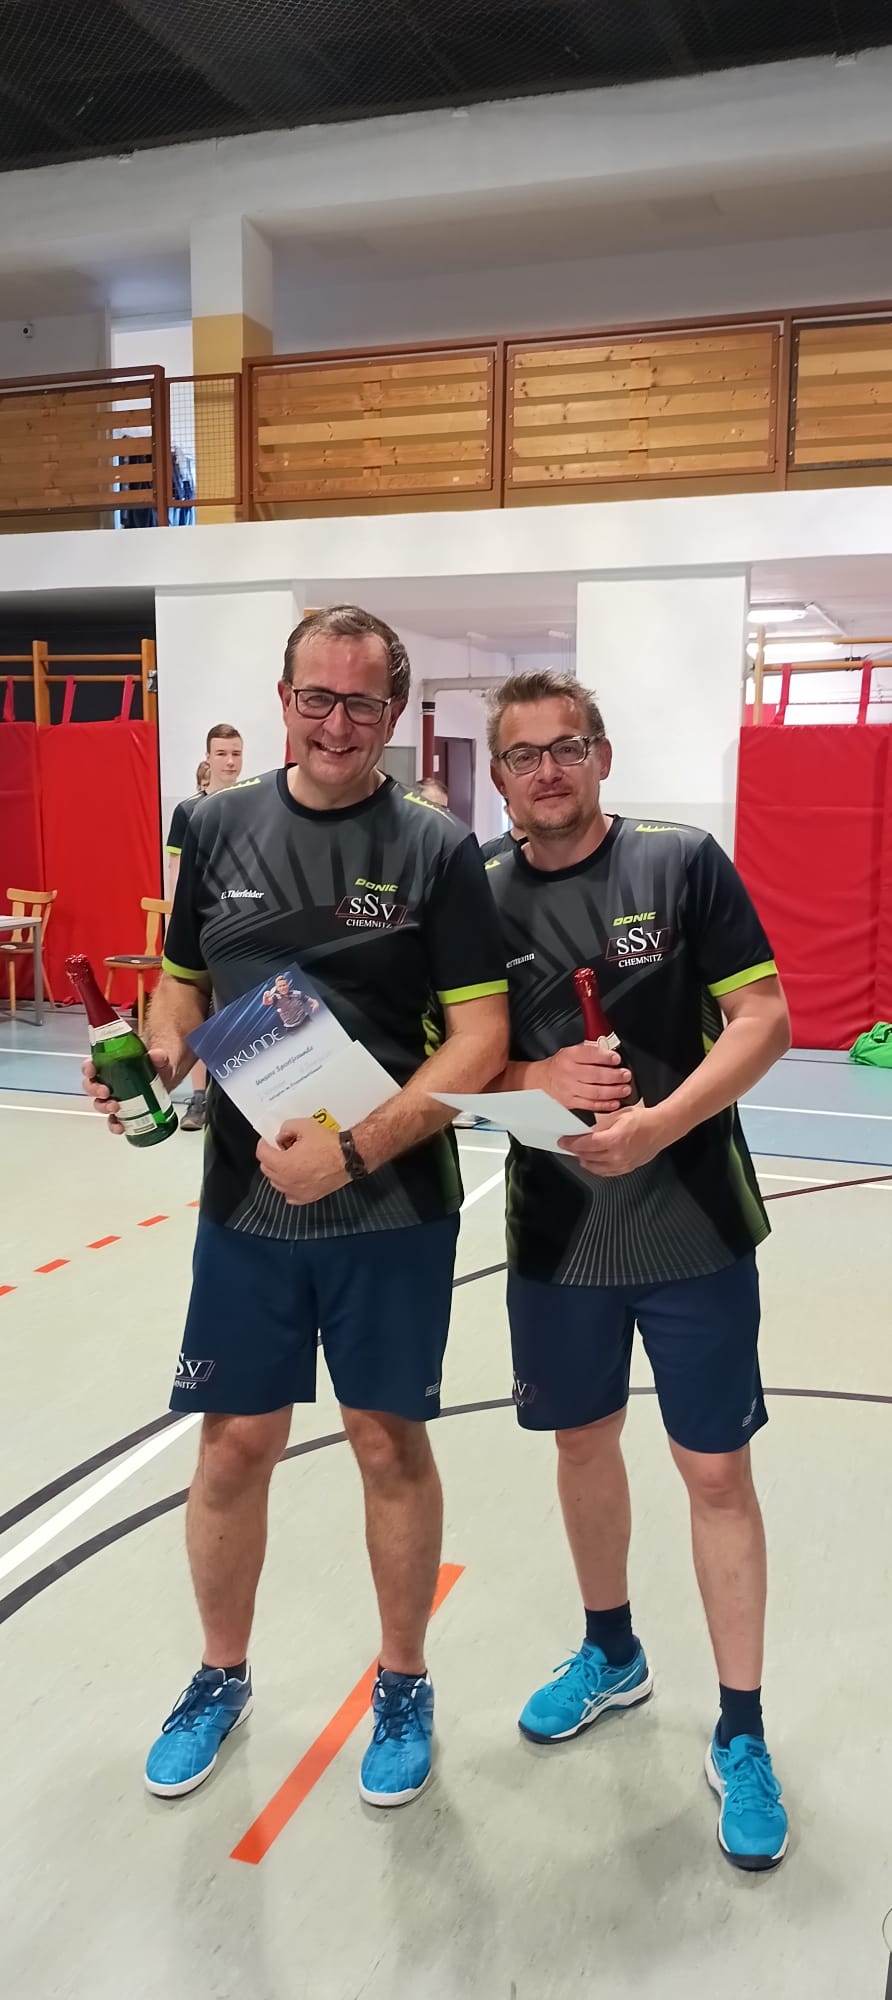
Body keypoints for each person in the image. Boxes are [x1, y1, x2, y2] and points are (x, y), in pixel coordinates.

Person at [84, 605, 508, 1810]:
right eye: (316, 696)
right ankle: (219, 1676)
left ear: (392, 712)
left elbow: (479, 1037)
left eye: (362, 702)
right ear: (282, 699)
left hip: (392, 1202)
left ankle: (404, 1681)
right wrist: (161, 1053)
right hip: (246, 1199)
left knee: (384, 1440)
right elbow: (182, 984)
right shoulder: (216, 824)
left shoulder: (435, 848)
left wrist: (356, 1146)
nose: (335, 722)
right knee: (233, 1442)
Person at [484, 667, 791, 1873]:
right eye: (523, 754)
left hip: (691, 1221)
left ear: (601, 755)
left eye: (567, 746)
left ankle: (741, 1726)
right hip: (557, 1233)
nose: (547, 769)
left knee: (713, 1469)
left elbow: (764, 1016)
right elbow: (446, 1057)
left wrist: (661, 1124)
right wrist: (533, 1081)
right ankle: (611, 1649)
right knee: (581, 1442)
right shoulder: (475, 893)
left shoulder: (680, 861)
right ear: (498, 775)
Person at [166, 723, 243, 1131]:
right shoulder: (189, 812)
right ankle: (199, 1098)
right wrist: (182, 927)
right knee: (197, 1013)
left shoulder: (251, 807)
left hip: (240, 930)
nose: (230, 762)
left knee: (235, 1014)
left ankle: (236, 1095)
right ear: (208, 758)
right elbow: (177, 873)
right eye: (222, 754)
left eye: (236, 754)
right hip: (201, 930)